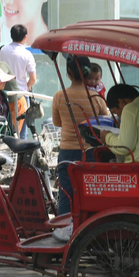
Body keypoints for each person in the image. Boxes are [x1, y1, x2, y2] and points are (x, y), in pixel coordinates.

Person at [52, 55, 109, 217]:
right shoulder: (96, 98)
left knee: (66, 195)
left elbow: (57, 123)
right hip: (92, 153)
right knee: (91, 195)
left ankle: (63, 231)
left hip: (67, 153)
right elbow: (105, 123)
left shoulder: (59, 96)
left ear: (69, 72)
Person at [99, 84, 139, 163]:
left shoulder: (130, 108)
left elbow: (124, 147)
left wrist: (107, 136)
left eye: (115, 112)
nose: (119, 116)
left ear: (121, 102)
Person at [0, 24, 37, 139]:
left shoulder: (3, 50)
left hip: (4, 94)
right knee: (22, 132)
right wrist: (28, 87)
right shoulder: (27, 54)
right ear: (25, 37)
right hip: (21, 96)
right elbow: (33, 78)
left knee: (6, 128)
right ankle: (21, 155)